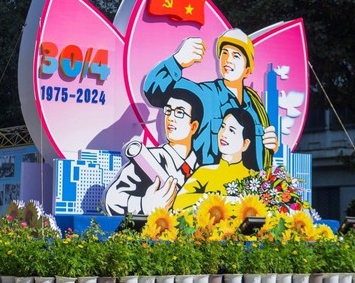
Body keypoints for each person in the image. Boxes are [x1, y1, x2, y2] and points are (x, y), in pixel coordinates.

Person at [143, 29, 278, 171]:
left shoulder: (255, 106)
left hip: (249, 183)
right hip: (207, 182)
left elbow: (258, 155)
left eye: (236, 55)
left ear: (247, 70)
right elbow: (154, 91)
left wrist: (270, 148)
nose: (228, 60)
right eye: (224, 53)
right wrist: (177, 61)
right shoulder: (204, 94)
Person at [103, 88, 203, 215]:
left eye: (179, 112)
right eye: (168, 111)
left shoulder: (202, 169)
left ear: (193, 126)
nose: (170, 118)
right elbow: (112, 199)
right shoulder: (147, 159)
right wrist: (143, 204)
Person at [173, 108, 258, 210]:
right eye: (223, 127)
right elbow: (179, 202)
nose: (223, 134)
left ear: (245, 144)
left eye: (231, 130)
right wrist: (220, 200)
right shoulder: (204, 171)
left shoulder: (253, 179)